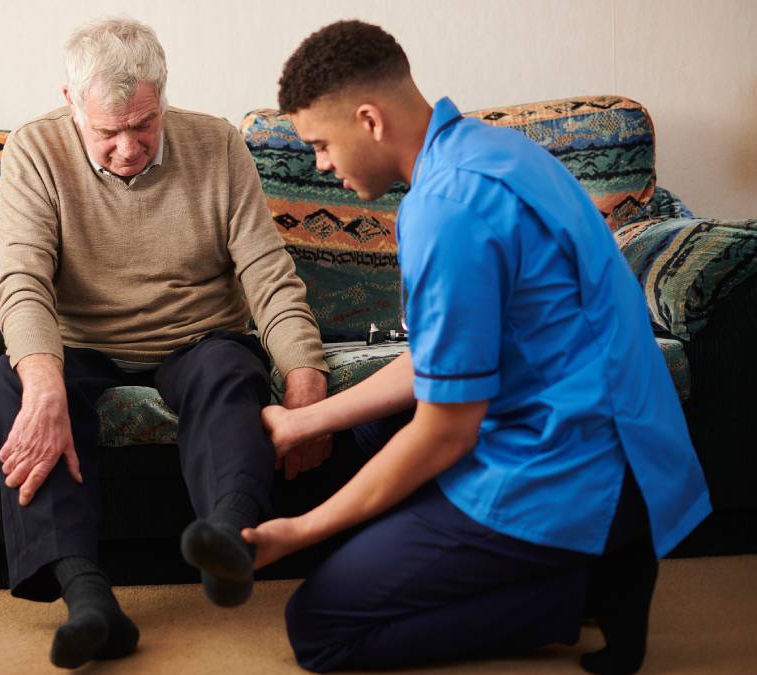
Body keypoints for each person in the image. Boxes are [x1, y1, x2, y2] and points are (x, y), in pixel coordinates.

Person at [242, 20, 711, 675]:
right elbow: (442, 357)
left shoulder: (445, 207)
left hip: (574, 464)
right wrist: (304, 419)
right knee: (376, 430)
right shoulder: (491, 150)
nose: (321, 164)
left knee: (318, 625)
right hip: (624, 435)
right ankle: (570, 557)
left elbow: (445, 432)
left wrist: (301, 532)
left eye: (320, 144)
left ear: (369, 119)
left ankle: (578, 589)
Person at [0, 17, 331, 669]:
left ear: (163, 99)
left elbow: (266, 272)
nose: (129, 147)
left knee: (231, 364)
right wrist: (44, 383)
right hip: (79, 341)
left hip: (193, 335)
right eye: (108, 133)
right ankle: (89, 600)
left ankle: (227, 537)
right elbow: (21, 277)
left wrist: (306, 376)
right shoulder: (35, 149)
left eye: (144, 125)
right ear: (70, 104)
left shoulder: (217, 144)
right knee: (6, 381)